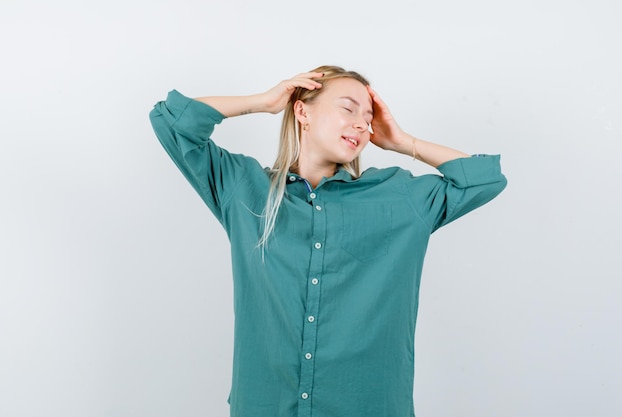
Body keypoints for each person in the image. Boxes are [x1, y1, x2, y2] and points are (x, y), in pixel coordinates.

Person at [149, 65, 507, 417]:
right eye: (348, 108)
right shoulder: (245, 189)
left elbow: (484, 180)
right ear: (302, 111)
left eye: (368, 118)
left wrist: (401, 142)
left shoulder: (399, 197)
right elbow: (172, 121)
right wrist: (264, 101)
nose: (362, 125)